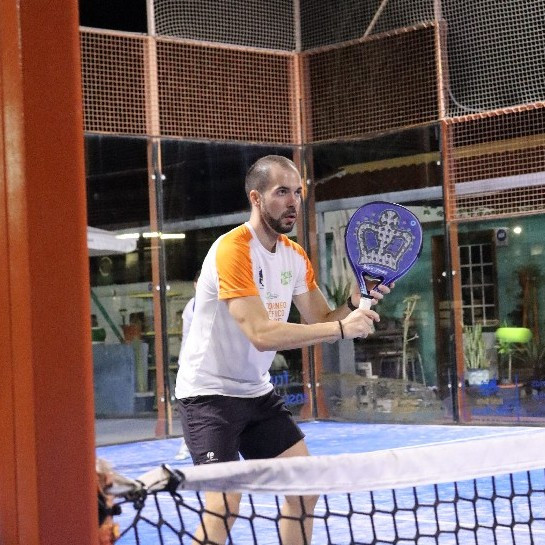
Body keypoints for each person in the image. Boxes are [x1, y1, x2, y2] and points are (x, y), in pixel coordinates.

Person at [174, 155, 391, 545]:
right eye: (282, 192)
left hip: (255, 393)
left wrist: (352, 302)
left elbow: (320, 318)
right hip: (208, 396)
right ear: (256, 198)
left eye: (298, 192)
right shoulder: (232, 250)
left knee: (304, 489)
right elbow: (261, 333)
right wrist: (342, 328)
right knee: (224, 505)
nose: (293, 202)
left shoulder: (294, 255)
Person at [175, 269, 200, 460]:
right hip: (191, 365)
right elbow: (189, 338)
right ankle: (186, 444)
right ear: (195, 285)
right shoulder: (192, 306)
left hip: (206, 365)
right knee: (192, 406)